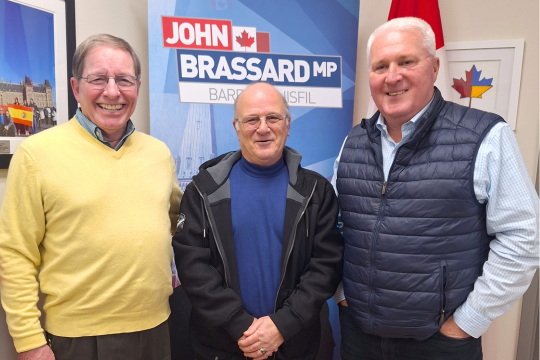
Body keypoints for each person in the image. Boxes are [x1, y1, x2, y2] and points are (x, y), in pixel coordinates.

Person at [332, 17, 538, 360]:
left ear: (434, 66)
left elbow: (523, 239)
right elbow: (337, 228)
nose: (392, 76)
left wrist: (468, 322)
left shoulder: (485, 137)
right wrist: (343, 293)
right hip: (359, 336)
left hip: (440, 344)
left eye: (406, 61)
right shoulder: (352, 142)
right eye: (380, 66)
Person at [0, 34, 183, 360]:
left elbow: (177, 226)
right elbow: (15, 255)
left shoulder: (159, 154)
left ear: (137, 88)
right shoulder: (35, 155)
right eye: (98, 79)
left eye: (124, 80)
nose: (112, 92)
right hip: (78, 341)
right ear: (75, 88)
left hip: (158, 329)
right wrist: (29, 341)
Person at [173, 82, 344, 360]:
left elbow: (326, 265)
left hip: (296, 346)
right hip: (222, 346)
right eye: (252, 119)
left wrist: (282, 326)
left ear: (287, 124)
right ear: (236, 127)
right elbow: (192, 265)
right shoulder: (203, 190)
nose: (263, 128)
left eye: (273, 118)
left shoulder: (317, 192)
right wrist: (242, 327)